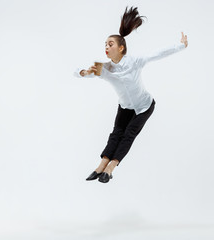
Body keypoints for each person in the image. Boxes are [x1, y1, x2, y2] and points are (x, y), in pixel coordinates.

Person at [74, 6, 188, 183]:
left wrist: (180, 45)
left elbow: (157, 54)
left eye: (110, 44)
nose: (106, 47)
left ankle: (110, 168)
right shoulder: (104, 67)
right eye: (105, 44)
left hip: (144, 106)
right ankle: (101, 166)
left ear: (121, 48)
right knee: (116, 133)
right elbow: (80, 72)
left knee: (128, 134)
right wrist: (83, 72)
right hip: (125, 107)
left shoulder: (135, 61)